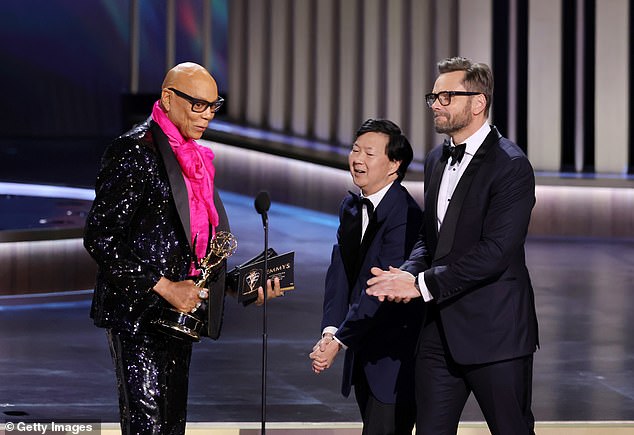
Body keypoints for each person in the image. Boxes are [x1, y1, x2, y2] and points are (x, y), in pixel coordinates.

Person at [84, 62, 282, 435]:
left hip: (180, 319)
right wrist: (165, 286)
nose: (207, 114)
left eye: (213, 105)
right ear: (168, 98)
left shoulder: (194, 158)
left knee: (172, 426)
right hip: (139, 314)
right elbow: (101, 237)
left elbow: (197, 251)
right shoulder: (134, 151)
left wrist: (243, 286)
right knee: (148, 426)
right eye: (197, 105)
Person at [366, 57, 538, 435]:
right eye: (433, 96)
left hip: (496, 335)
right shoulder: (435, 160)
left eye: (446, 96)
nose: (436, 104)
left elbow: (495, 253)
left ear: (478, 102)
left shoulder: (511, 166)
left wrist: (420, 285)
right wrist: (408, 271)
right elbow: (431, 238)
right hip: (438, 333)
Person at [310, 119, 424, 434]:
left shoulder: (406, 214)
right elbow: (340, 275)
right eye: (355, 149)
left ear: (394, 164)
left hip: (395, 357)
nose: (357, 159)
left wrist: (339, 341)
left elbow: (381, 289)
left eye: (369, 153)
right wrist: (330, 331)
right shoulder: (350, 206)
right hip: (363, 351)